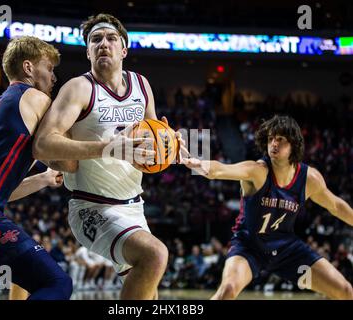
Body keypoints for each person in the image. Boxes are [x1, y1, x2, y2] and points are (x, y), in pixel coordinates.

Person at [32, 13, 170, 299]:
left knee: (150, 294)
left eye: (110, 39)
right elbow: (43, 144)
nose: (103, 44)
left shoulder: (142, 86)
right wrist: (107, 147)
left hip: (134, 207)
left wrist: (169, 144)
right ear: (88, 51)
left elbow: (153, 139)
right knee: (155, 254)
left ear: (124, 49)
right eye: (96, 40)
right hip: (91, 208)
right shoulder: (78, 88)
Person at [181, 115, 353, 299]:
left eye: (280, 139)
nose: (274, 144)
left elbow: (335, 206)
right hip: (249, 247)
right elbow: (222, 169)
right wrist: (201, 164)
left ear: (294, 144)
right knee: (228, 290)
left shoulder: (309, 179)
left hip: (287, 249)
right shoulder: (258, 170)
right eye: (271, 138)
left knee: (345, 291)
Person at [0, 36, 77, 300]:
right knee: (56, 284)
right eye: (49, 68)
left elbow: (0, 190)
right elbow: (70, 163)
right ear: (28, 68)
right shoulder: (35, 98)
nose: (53, 77)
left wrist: (44, 179)